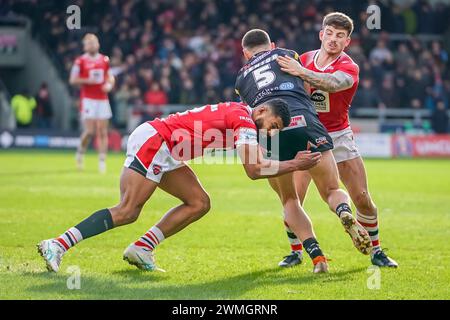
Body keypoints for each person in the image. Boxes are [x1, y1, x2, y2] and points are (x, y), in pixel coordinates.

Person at [37, 99, 322, 272]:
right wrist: (296, 164)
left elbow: (259, 163)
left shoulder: (243, 117)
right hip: (158, 140)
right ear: (260, 110)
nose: (268, 132)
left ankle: (141, 248)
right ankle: (57, 244)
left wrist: (290, 162)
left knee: (199, 202)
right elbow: (254, 170)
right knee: (127, 211)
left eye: (273, 131)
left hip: (169, 149)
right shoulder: (245, 120)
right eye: (270, 125)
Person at [235, 28, 372, 273]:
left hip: (270, 132)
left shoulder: (241, 78)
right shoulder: (288, 55)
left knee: (290, 199)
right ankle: (343, 211)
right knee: (331, 189)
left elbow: (248, 113)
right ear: (272, 45)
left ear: (245, 54)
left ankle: (317, 258)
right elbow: (308, 85)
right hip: (304, 120)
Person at [275, 12, 398, 268]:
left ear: (347, 42)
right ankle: (296, 252)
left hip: (338, 136)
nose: (333, 39)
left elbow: (331, 83)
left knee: (362, 196)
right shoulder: (304, 58)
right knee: (293, 198)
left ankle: (376, 251)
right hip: (306, 134)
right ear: (321, 34)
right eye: (329, 33)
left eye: (340, 36)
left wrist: (300, 72)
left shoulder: (348, 67)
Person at [70, 33, 115, 173]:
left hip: (102, 99)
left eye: (94, 43)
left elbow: (110, 77)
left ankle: (102, 161)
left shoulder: (104, 60)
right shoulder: (80, 61)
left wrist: (109, 85)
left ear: (98, 44)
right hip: (88, 99)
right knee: (90, 131)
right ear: (84, 46)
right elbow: (72, 80)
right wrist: (87, 80)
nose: (91, 45)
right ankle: (80, 151)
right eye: (88, 43)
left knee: (102, 130)